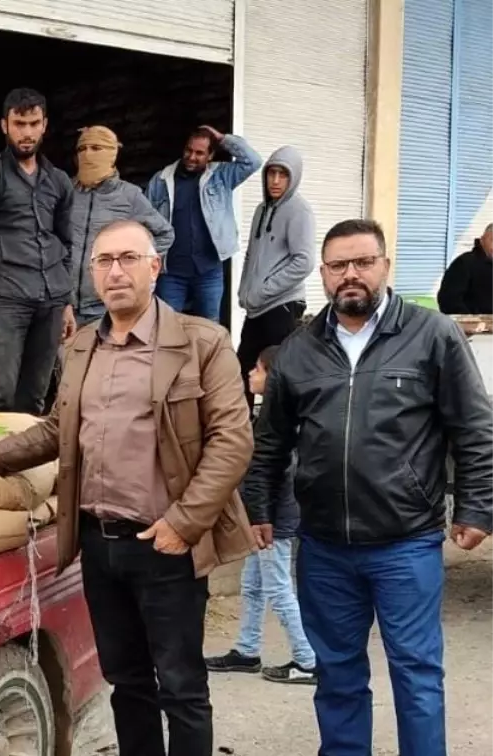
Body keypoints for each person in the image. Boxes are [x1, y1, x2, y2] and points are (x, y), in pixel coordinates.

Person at [0, 219, 253, 756]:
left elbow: (233, 440)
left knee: (181, 687)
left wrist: (185, 523)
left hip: (165, 543)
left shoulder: (201, 342)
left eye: (128, 258)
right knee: (126, 681)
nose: (115, 271)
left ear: (155, 267)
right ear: (91, 272)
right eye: (103, 261)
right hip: (99, 543)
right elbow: (54, 430)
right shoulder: (80, 348)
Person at [243, 218, 493, 756]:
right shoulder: (300, 349)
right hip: (323, 543)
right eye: (337, 265)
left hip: (404, 541)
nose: (349, 275)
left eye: (362, 262)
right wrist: (259, 507)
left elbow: (474, 428)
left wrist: (478, 508)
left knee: (416, 670)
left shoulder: (431, 336)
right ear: (322, 274)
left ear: (385, 265)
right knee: (337, 667)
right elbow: (270, 442)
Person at [0, 88, 76, 415]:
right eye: (19, 123)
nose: (26, 132)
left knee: (35, 397)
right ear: (4, 126)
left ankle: (23, 467)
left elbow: (66, 244)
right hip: (8, 297)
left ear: (45, 125)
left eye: (33, 123)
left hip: (51, 300)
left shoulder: (60, 182)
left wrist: (67, 303)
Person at [206, 345, 317, 684]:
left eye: (258, 368)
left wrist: (261, 516)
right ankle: (247, 649)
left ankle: (308, 660)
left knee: (279, 589)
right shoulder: (266, 414)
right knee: (252, 584)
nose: (251, 374)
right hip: (262, 517)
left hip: (272, 521)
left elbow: (273, 474)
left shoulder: (283, 422)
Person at [146, 126, 262, 323]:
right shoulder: (161, 180)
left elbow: (253, 161)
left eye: (199, 153)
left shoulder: (221, 176)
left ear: (211, 155)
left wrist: (222, 138)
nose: (192, 157)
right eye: (188, 150)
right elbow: (145, 221)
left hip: (209, 271)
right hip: (171, 272)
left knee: (209, 329)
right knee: (166, 328)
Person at [236, 146, 316, 410]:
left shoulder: (299, 211)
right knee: (243, 372)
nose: (276, 181)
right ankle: (240, 431)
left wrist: (264, 290)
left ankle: (277, 438)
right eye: (272, 173)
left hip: (282, 306)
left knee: (276, 375)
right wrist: (245, 290)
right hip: (257, 309)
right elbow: (251, 254)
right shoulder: (261, 210)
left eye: (283, 174)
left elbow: (304, 261)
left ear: (294, 178)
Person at [70, 126, 174, 327]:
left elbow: (164, 234)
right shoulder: (67, 191)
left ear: (111, 154)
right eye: (82, 149)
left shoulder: (129, 195)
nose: (87, 154)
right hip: (65, 307)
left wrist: (132, 264)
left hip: (105, 305)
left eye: (96, 148)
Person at [437, 223, 493, 315]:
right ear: (482, 240)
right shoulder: (464, 263)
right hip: (473, 326)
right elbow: (448, 301)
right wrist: (471, 321)